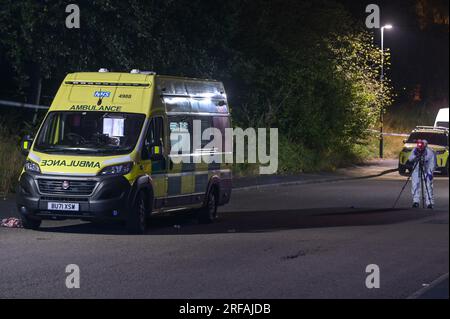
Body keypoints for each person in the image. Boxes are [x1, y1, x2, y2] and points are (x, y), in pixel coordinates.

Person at [408, 139, 437, 209]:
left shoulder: (430, 152)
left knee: (428, 186)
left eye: (421, 145)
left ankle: (429, 202)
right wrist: (415, 155)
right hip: (416, 170)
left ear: (425, 146)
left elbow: (433, 163)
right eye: (418, 145)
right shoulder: (415, 150)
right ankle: (416, 201)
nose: (420, 147)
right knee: (415, 185)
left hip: (427, 170)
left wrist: (430, 173)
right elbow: (410, 159)